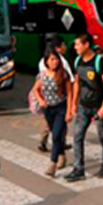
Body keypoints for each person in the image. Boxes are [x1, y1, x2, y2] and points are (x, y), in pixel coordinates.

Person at [67, 34, 103, 182]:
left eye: (77, 45)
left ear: (86, 44)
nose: (75, 48)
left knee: (102, 137)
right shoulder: (77, 61)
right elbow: (77, 83)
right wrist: (74, 103)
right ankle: (78, 169)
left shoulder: (100, 61)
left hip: (98, 107)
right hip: (83, 106)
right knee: (77, 136)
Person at [34, 49, 74, 177]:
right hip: (48, 109)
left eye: (56, 59)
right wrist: (40, 100)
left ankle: (53, 163)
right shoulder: (42, 75)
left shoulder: (63, 75)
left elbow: (70, 94)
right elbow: (35, 89)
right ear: (46, 61)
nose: (55, 62)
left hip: (61, 108)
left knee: (56, 135)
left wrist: (69, 111)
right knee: (55, 134)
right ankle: (61, 153)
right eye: (52, 59)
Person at [38, 35, 75, 153]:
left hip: (53, 101)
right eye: (63, 45)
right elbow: (71, 81)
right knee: (56, 127)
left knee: (55, 126)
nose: (65, 47)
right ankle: (58, 147)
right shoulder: (61, 62)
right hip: (53, 102)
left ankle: (52, 146)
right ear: (57, 48)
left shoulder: (46, 61)